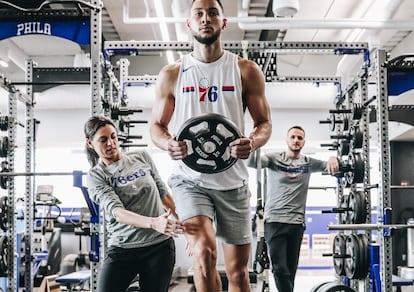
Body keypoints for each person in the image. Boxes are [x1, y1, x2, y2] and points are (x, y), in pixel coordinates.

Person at [149, 0, 272, 291]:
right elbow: (156, 127)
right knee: (203, 255)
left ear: (223, 22)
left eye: (213, 13)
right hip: (189, 180)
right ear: (189, 24)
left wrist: (252, 142)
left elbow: (264, 123)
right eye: (199, 14)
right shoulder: (172, 73)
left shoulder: (245, 70)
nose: (206, 19)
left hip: (234, 182)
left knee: (239, 273)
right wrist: (169, 144)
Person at [84, 116, 183, 292]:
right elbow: (117, 212)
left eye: (113, 136)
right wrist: (154, 222)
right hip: (123, 248)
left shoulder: (142, 157)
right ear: (90, 143)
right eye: (103, 140)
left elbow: (163, 193)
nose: (111, 143)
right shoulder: (96, 176)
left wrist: (185, 224)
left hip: (159, 248)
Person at [247, 126, 339, 292]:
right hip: (274, 221)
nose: (296, 140)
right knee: (279, 268)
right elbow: (251, 162)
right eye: (293, 137)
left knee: (290, 270)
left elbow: (331, 166)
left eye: (300, 138)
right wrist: (254, 142)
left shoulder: (308, 163)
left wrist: (333, 157)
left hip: (296, 223)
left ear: (304, 141)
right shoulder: (274, 159)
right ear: (287, 140)